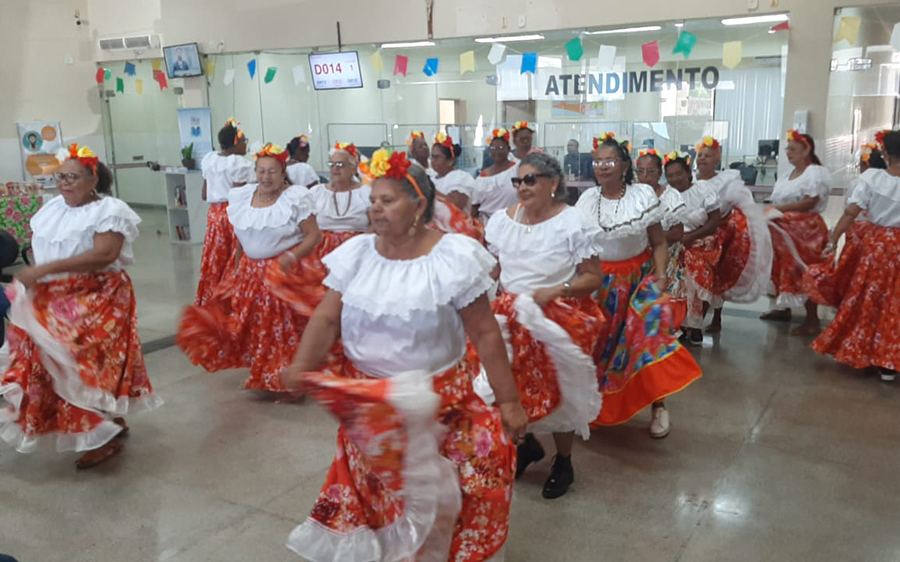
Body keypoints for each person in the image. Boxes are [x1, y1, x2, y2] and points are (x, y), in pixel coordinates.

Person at [283, 148, 526, 561]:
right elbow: (326, 318)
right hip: (371, 411)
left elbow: (485, 334)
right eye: (373, 200)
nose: (375, 208)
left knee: (448, 499)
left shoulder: (452, 258)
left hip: (440, 407)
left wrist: (509, 401)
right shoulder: (358, 254)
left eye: (387, 200)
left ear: (417, 206)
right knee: (380, 503)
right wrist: (301, 366)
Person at [0, 144, 161, 468]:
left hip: (98, 297)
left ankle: (100, 432)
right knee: (53, 362)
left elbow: (104, 255)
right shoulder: (53, 209)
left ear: (93, 179)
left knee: (86, 364)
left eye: (72, 177)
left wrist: (43, 269)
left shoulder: (109, 210)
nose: (64, 183)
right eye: (60, 177)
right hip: (54, 297)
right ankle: (104, 421)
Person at [482, 152, 604, 499]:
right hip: (511, 316)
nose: (522, 187)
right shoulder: (503, 221)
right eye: (518, 181)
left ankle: (563, 461)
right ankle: (527, 445)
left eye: (530, 180)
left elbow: (593, 277)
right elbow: (496, 269)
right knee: (509, 388)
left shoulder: (573, 221)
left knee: (558, 391)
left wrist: (558, 290)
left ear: (554, 183)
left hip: (555, 316)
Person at [577, 135, 702, 439]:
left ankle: (659, 405)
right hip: (599, 284)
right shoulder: (587, 200)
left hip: (637, 281)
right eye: (597, 162)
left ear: (624, 166)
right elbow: (577, 246)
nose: (602, 167)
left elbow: (658, 242)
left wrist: (660, 278)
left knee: (647, 341)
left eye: (609, 161)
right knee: (601, 348)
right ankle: (597, 407)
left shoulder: (642, 196)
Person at [177, 144, 325, 393]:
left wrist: (291, 257)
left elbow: (314, 235)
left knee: (279, 329)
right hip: (250, 274)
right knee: (255, 326)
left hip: (282, 274)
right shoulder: (243, 196)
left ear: (283, 171)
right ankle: (263, 373)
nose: (266, 177)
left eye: (272, 171)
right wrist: (237, 270)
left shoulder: (296, 197)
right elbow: (241, 237)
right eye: (261, 171)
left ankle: (285, 380)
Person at [807, 130, 900, 382]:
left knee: (871, 300)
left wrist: (833, 238)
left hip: (878, 248)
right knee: (895, 303)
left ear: (885, 153)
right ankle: (890, 363)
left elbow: (851, 212)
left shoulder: (873, 178)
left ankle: (868, 352)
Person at [694, 137, 773, 334]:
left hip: (719, 237)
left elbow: (746, 206)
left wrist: (754, 230)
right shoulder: (690, 180)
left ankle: (707, 319)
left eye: (708, 156)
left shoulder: (727, 181)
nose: (702, 159)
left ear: (717, 160)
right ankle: (693, 320)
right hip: (693, 235)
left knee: (714, 278)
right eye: (700, 155)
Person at [761, 130, 832, 335]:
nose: (788, 153)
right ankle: (783, 308)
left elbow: (812, 200)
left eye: (793, 149)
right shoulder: (787, 175)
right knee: (783, 269)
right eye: (787, 149)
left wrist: (780, 210)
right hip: (784, 230)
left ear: (806, 151)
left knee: (804, 269)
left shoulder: (814, 173)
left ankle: (812, 320)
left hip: (806, 232)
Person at [665, 152, 722, 345]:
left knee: (698, 281)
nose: (675, 179)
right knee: (679, 284)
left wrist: (692, 237)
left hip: (703, 244)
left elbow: (715, 220)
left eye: (678, 174)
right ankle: (682, 325)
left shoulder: (703, 189)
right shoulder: (667, 196)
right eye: (670, 175)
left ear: (688, 173)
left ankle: (696, 325)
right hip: (677, 246)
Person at [196, 119, 254, 306]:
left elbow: (204, 193)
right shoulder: (238, 163)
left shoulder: (210, 159)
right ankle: (230, 298)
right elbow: (238, 195)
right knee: (235, 258)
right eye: (244, 141)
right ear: (235, 143)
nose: (246, 144)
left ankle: (210, 298)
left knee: (215, 257)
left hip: (214, 214)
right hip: (233, 213)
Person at [637, 149, 688, 327]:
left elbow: (677, 233)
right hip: (639, 258)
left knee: (662, 306)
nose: (645, 176)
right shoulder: (630, 195)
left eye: (650, 172)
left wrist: (650, 236)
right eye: (640, 171)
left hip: (667, 256)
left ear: (659, 174)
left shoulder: (671, 196)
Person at [308, 142, 370, 257]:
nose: (335, 168)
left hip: (359, 251)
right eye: (332, 164)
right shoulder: (316, 192)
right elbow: (306, 226)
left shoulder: (366, 193)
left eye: (340, 164)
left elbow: (376, 225)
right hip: (321, 252)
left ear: (353, 168)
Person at [472, 128, 519, 224]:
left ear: (509, 149)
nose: (497, 151)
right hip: (488, 225)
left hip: (514, 222)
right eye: (493, 148)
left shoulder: (518, 169)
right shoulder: (482, 178)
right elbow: (474, 207)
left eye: (501, 148)